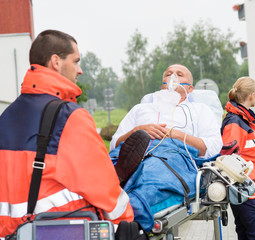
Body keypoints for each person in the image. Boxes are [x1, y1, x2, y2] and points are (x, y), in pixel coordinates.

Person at [0, 30, 133, 238]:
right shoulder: (70, 117)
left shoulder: (6, 117)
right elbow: (104, 188)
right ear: (56, 61)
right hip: (61, 230)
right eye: (75, 61)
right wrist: (127, 224)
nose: (79, 70)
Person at [110, 64, 222, 158]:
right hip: (138, 160)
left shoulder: (200, 110)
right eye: (168, 74)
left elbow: (213, 148)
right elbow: (114, 146)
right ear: (162, 84)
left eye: (180, 75)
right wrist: (137, 132)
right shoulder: (140, 109)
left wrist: (177, 136)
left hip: (180, 163)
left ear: (190, 89)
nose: (172, 77)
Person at [221, 77, 255, 240]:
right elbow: (228, 158)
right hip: (248, 193)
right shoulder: (235, 122)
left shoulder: (242, 121)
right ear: (252, 95)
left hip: (248, 193)